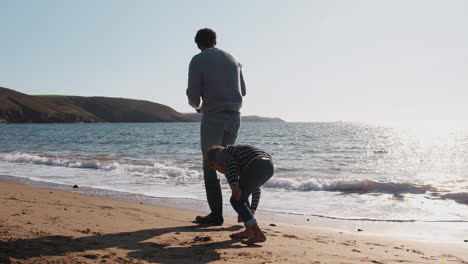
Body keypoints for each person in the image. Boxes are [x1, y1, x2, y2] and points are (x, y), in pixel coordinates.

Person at [186, 28, 247, 226]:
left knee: (210, 164)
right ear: (215, 40)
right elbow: (243, 91)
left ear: (197, 44)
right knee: (230, 164)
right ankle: (243, 212)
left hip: (214, 117)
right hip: (235, 116)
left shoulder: (198, 59)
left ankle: (216, 215)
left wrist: (198, 107)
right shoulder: (234, 58)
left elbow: (194, 97)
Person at [206, 144, 274, 244]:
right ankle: (249, 230)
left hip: (256, 163)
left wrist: (234, 185)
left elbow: (231, 163)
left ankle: (258, 233)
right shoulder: (241, 162)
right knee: (241, 197)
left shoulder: (219, 154)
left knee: (235, 200)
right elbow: (256, 191)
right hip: (268, 166)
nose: (221, 172)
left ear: (214, 163)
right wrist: (251, 211)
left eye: (217, 169)